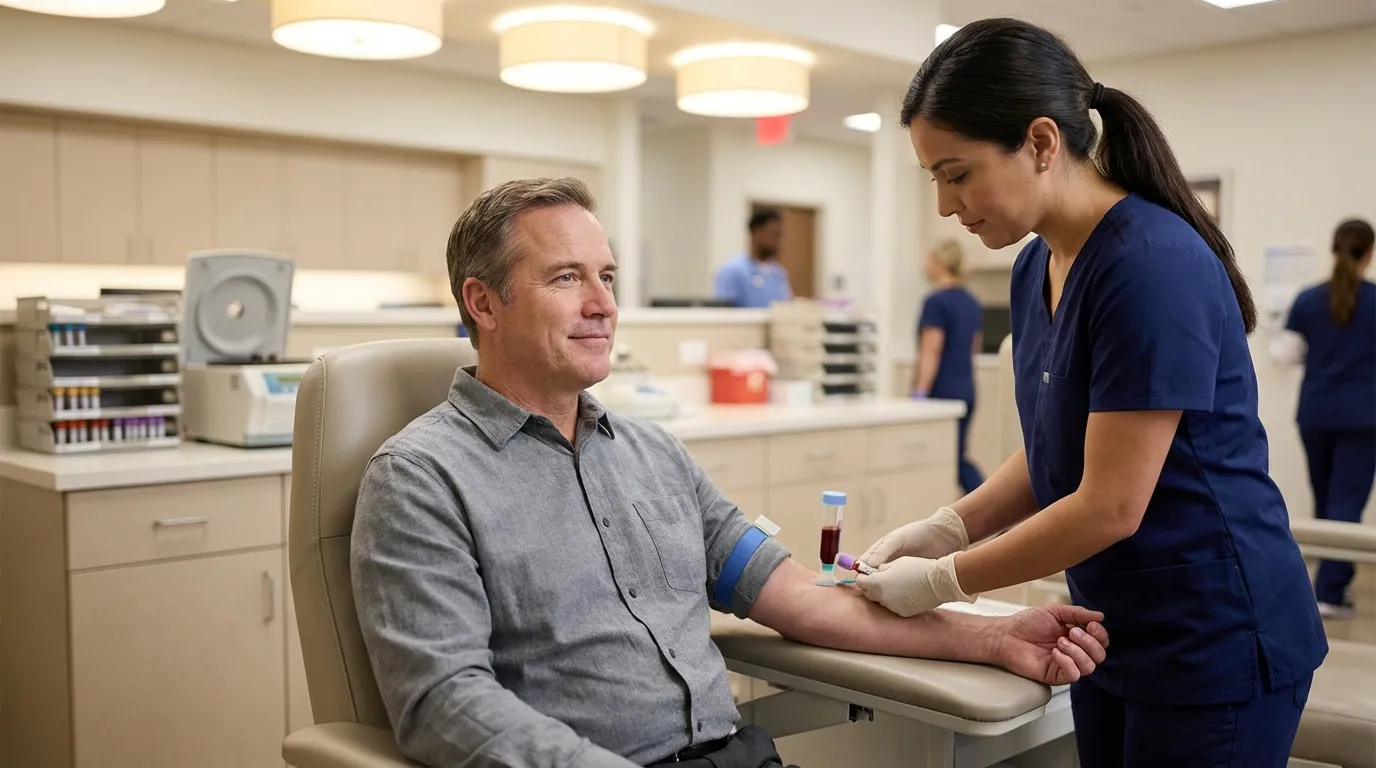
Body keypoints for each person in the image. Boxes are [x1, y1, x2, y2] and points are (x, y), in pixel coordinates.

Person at [350, 177, 1111, 768]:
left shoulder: (653, 458)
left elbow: (800, 599)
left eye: (608, 277)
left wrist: (992, 637)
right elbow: (443, 703)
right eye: (566, 279)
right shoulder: (422, 479)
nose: (603, 305)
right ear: (483, 303)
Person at [853, 18, 1327, 768]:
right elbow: (1056, 445)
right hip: (1109, 627)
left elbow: (1110, 502)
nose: (945, 205)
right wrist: (949, 525)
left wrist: (948, 579)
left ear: (1042, 143)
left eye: (958, 172)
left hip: (1214, 631)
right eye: (934, 179)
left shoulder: (1149, 265)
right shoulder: (1033, 265)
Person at [1271, 218, 1376, 619]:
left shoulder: (1308, 299)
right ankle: (1330, 592)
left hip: (1316, 414)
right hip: (1363, 418)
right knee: (1346, 503)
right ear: (1369, 252)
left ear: (1334, 249)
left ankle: (1334, 581)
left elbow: (1285, 355)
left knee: (1327, 501)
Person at [912, 239, 985, 493]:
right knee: (957, 456)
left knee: (949, 461)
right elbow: (974, 345)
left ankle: (991, 508)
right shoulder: (970, 301)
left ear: (940, 262)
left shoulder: (936, 302)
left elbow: (931, 351)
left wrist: (920, 392)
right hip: (966, 388)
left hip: (942, 392)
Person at [713, 208, 793, 307]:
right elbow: (724, 313)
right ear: (756, 232)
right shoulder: (733, 271)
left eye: (780, 236)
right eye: (774, 234)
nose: (778, 242)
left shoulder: (779, 274)